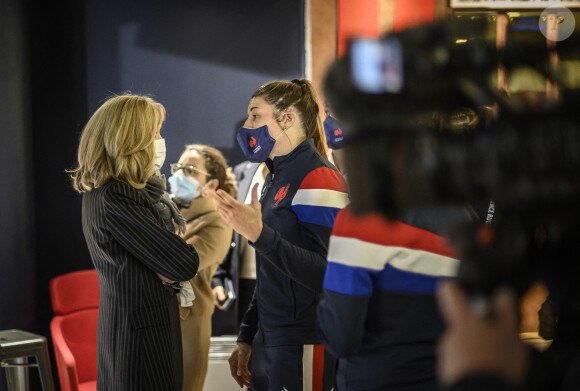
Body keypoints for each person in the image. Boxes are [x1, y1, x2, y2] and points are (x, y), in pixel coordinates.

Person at [205, 78, 349, 390]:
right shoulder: (276, 177)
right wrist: (246, 335)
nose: (247, 125)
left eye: (255, 115)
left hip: (306, 341)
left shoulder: (319, 176)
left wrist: (259, 234)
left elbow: (330, 274)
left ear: (288, 118)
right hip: (271, 340)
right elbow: (272, 270)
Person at [69, 93, 199, 390]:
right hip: (141, 344)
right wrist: (167, 268)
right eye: (155, 133)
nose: (160, 139)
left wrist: (165, 268)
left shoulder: (117, 194)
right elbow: (183, 263)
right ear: (131, 140)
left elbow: (170, 266)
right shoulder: (117, 196)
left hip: (138, 335)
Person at [167, 143, 237, 391]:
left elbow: (172, 266)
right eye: (178, 167)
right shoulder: (170, 213)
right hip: (160, 320)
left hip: (188, 324)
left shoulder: (216, 223)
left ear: (211, 185)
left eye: (190, 170)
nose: (179, 175)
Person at [211, 160, 267, 336]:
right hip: (244, 281)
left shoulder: (295, 171)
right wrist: (218, 275)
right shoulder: (243, 170)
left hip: (278, 279)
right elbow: (231, 224)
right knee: (245, 350)